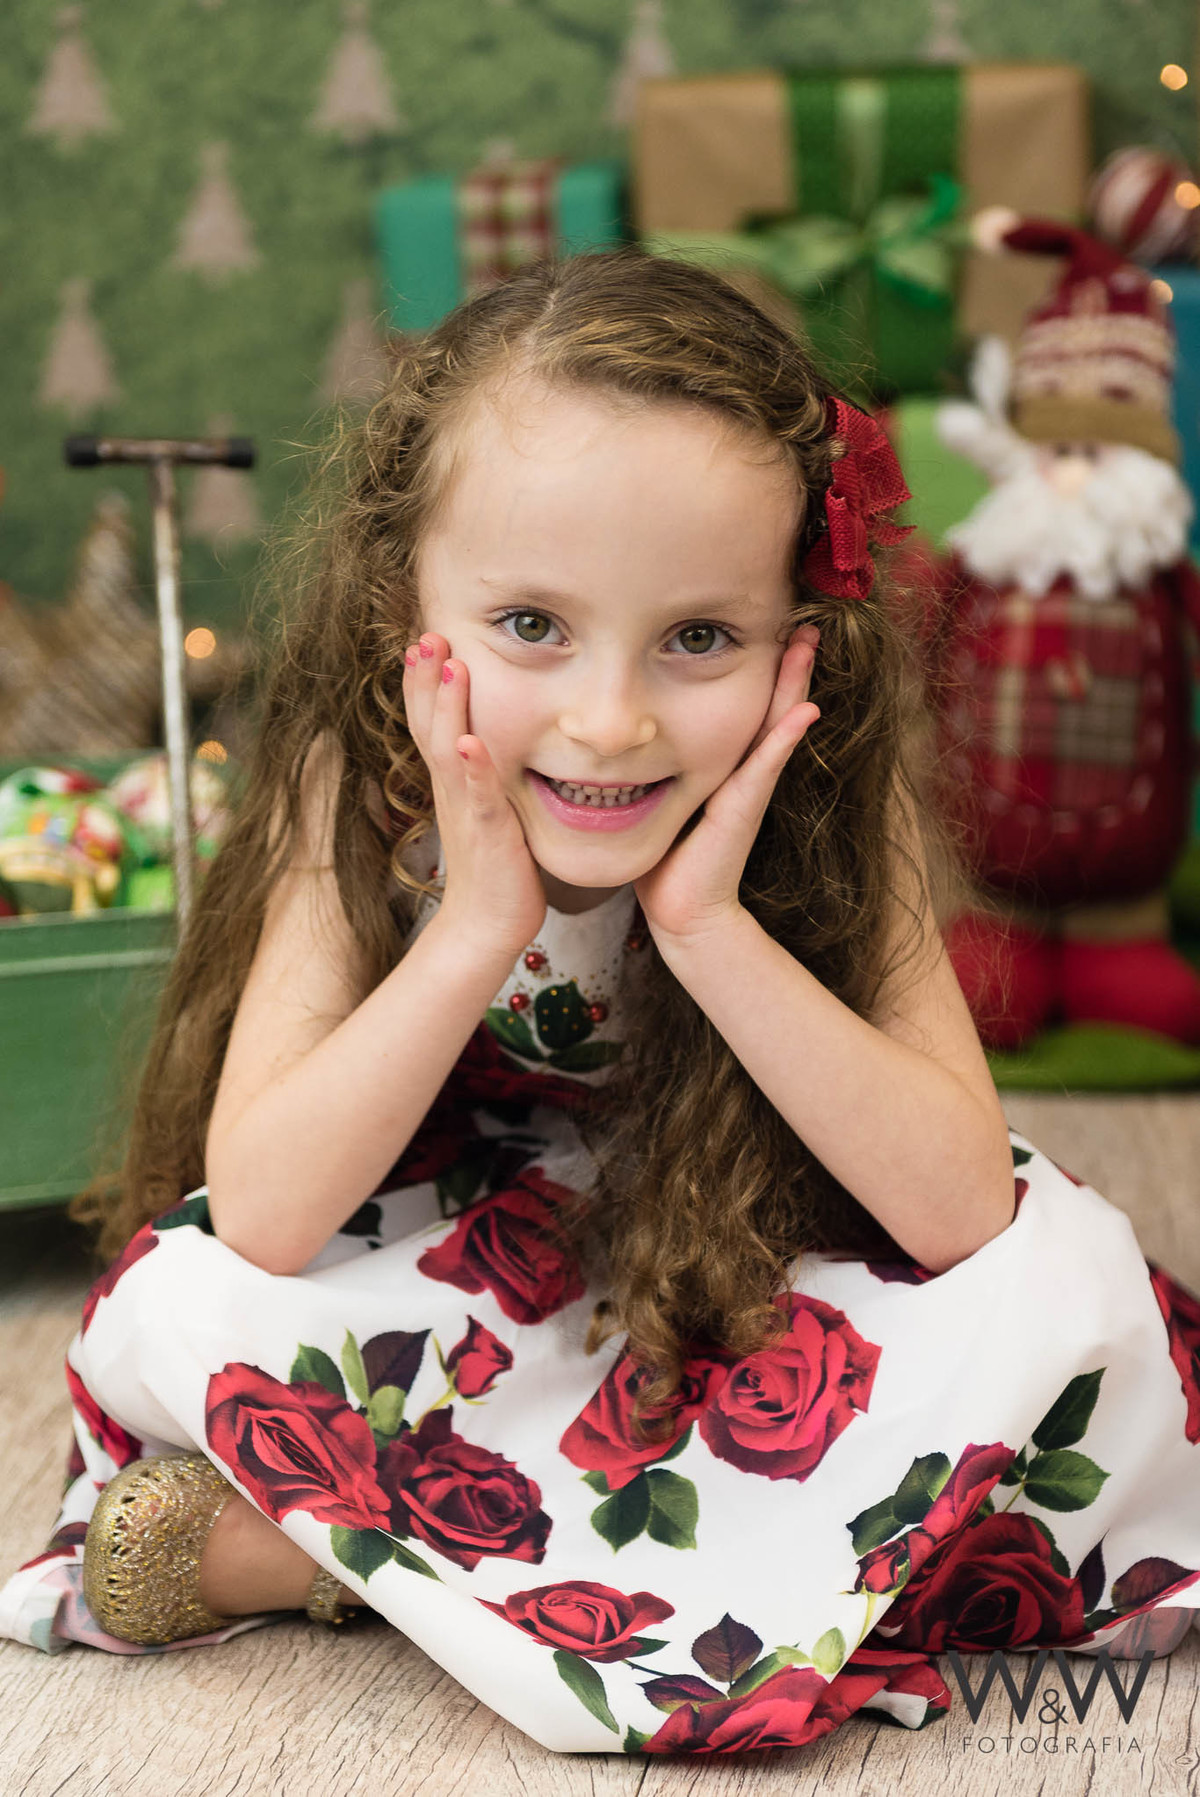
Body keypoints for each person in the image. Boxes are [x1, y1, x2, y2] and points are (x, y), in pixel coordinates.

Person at [1, 247, 1197, 1756]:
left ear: (802, 632)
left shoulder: (827, 791)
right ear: (402, 600)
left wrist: (707, 928)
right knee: (187, 1296)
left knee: (1071, 1285)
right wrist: (474, 927)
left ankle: (336, 1560)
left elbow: (960, 1205)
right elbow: (268, 1213)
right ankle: (673, 1559)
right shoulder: (355, 785)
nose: (610, 720)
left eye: (699, 637)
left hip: (747, 1253)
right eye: (531, 625)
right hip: (453, 1261)